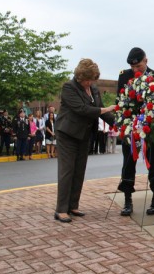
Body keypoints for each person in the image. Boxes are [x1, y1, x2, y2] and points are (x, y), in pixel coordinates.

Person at [54, 58, 115, 223]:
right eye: (87, 80)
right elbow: (82, 109)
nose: (90, 83)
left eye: (92, 79)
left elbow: (102, 113)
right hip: (67, 133)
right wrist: (106, 108)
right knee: (67, 171)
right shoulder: (69, 87)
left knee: (79, 170)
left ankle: (73, 205)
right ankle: (61, 210)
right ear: (80, 77)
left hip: (84, 134)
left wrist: (119, 124)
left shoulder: (93, 89)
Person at [117, 47, 154, 216]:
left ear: (146, 61)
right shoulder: (124, 76)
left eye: (138, 67)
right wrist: (123, 126)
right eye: (133, 67)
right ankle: (127, 200)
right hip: (130, 126)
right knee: (128, 163)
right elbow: (121, 102)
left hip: (150, 127)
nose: (135, 70)